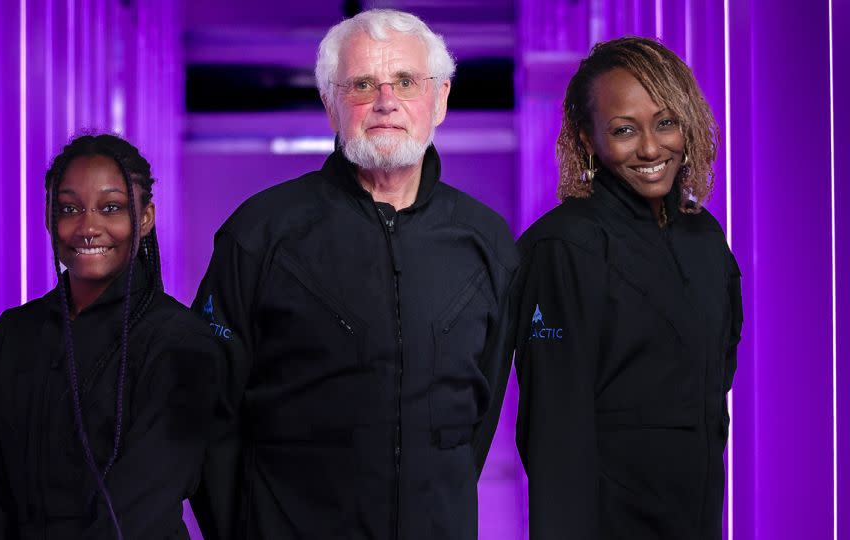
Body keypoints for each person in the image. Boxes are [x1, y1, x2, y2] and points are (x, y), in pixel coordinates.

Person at [188, 9, 518, 540]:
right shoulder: (260, 234)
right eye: (363, 84)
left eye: (406, 82)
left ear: (440, 99)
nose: (386, 101)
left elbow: (475, 423)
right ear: (330, 104)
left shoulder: (488, 243)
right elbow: (208, 413)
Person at [512, 36, 743, 539]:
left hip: (696, 519)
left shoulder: (704, 236)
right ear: (586, 136)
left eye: (666, 123)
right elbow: (555, 433)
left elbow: (716, 376)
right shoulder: (563, 248)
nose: (651, 148)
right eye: (623, 130)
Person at [0, 135, 219, 539]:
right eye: (69, 208)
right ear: (49, 217)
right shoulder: (8, 339)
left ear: (146, 217)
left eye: (111, 208)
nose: (88, 227)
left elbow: (142, 508)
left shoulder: (179, 342)